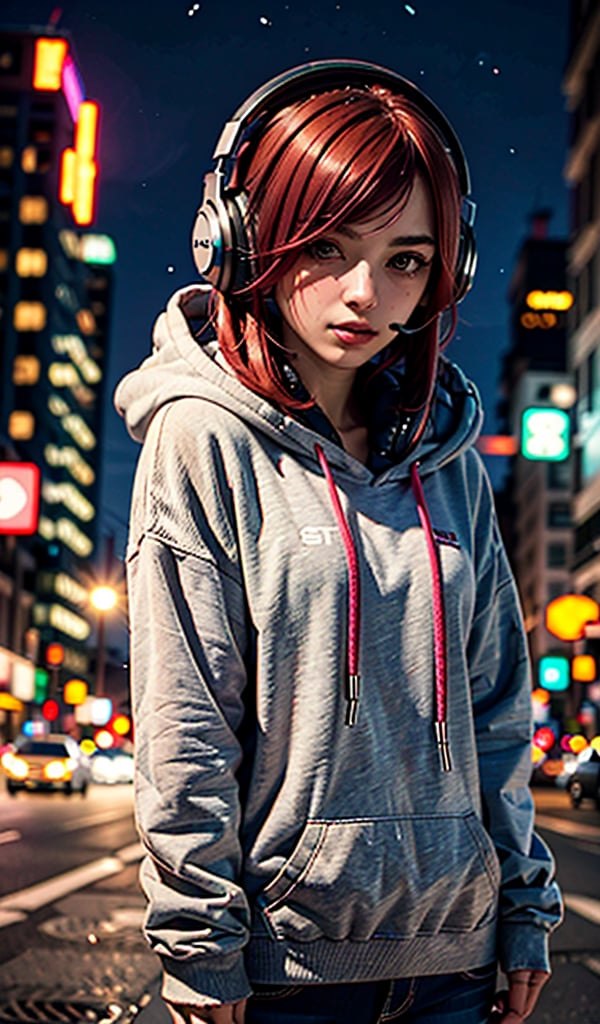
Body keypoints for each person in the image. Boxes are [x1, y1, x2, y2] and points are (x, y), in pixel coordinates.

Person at [115, 60, 563, 1024]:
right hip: (284, 976)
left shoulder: (448, 459)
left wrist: (525, 908)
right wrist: (202, 944)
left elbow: (499, 712)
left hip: (458, 961)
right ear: (246, 241)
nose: (366, 293)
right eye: (328, 246)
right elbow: (184, 725)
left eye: (406, 259)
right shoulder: (203, 439)